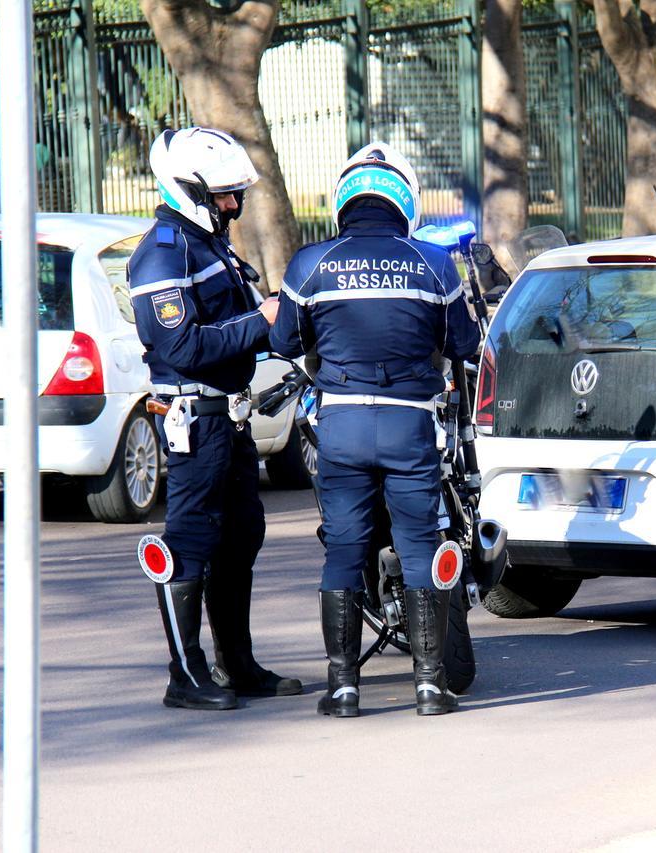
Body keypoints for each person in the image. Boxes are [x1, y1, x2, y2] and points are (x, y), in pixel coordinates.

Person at [269, 142, 480, 717]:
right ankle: (431, 687)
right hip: (410, 427)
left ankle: (342, 690)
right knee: (420, 549)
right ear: (403, 203)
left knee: (343, 552)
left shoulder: (309, 264)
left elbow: (284, 343)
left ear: (344, 202)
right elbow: (466, 344)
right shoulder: (436, 263)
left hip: (340, 426)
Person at [129, 127, 302, 710]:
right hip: (193, 418)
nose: (235, 203)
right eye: (224, 194)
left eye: (235, 192)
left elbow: (241, 328)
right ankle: (186, 675)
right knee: (191, 540)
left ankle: (236, 664)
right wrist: (263, 321)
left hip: (228, 417)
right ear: (189, 190)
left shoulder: (209, 245)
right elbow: (182, 348)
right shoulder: (162, 253)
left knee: (240, 535)